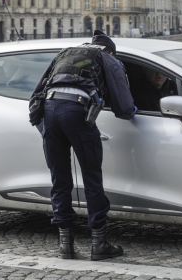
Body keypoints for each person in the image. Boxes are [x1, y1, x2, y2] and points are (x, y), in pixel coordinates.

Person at [33, 30, 137, 261]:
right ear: (110, 51)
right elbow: (124, 107)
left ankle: (65, 246)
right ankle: (99, 244)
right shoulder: (108, 59)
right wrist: (133, 110)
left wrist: (44, 127)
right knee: (91, 177)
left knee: (60, 180)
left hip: (49, 112)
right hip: (77, 113)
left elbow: (38, 92)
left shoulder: (66, 53)